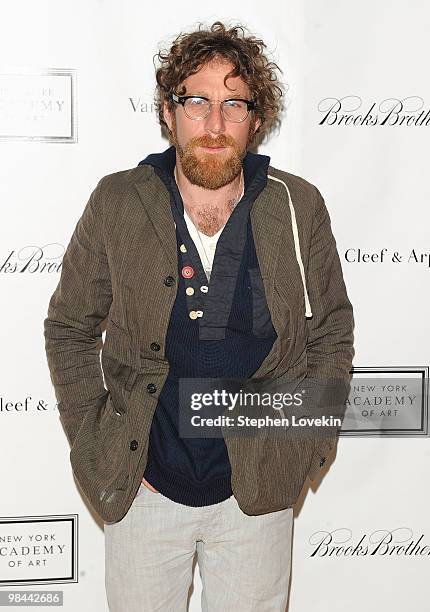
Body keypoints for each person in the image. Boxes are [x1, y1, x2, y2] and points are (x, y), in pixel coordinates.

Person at [44, 21, 354, 612]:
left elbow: (331, 328)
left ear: (255, 119)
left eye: (233, 104)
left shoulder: (297, 203)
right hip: (146, 487)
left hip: (257, 489)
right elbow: (69, 327)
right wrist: (94, 439)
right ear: (169, 112)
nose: (215, 125)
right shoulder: (118, 201)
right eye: (198, 102)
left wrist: (309, 439)